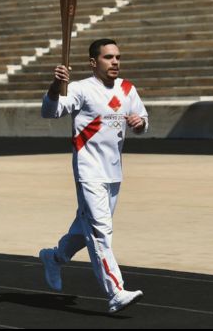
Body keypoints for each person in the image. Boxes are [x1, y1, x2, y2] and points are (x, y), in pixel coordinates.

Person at [39, 38, 147, 314]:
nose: (115, 62)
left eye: (118, 57)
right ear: (93, 62)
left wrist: (139, 123)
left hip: (114, 171)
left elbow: (142, 120)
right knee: (101, 231)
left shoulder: (126, 89)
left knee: (83, 228)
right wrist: (55, 85)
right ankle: (116, 292)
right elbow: (50, 112)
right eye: (109, 57)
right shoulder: (80, 89)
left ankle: (54, 257)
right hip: (88, 170)